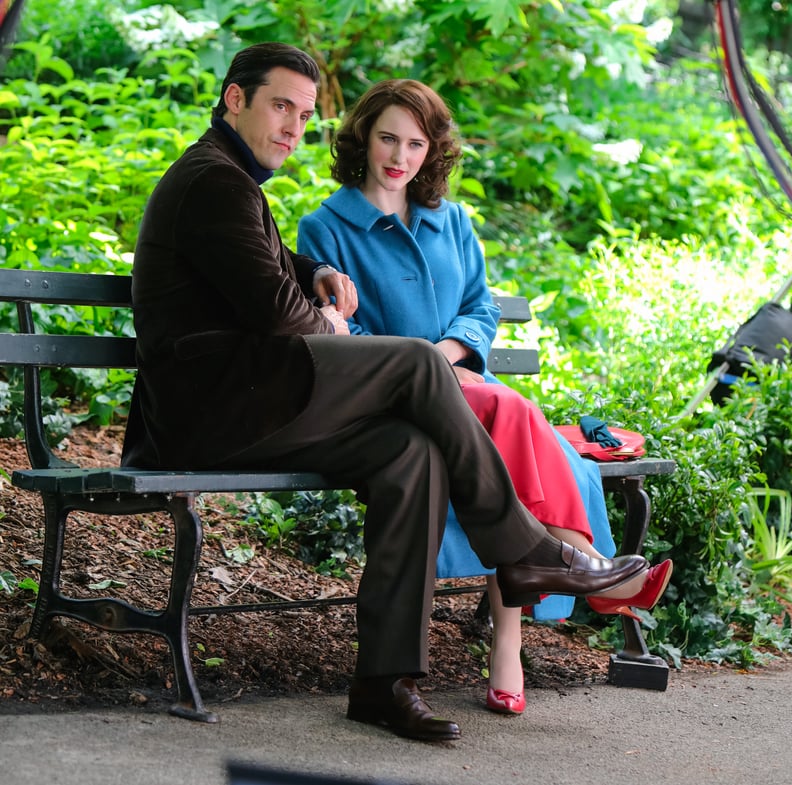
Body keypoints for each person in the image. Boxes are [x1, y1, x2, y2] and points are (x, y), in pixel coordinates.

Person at [121, 43, 651, 742]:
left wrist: (315, 274)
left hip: (248, 404)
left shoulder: (232, 182)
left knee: (410, 453)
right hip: (209, 415)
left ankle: (384, 681)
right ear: (234, 100)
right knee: (415, 364)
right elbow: (282, 318)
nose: (292, 127)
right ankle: (524, 547)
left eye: (304, 115)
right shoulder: (213, 181)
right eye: (281, 106)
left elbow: (275, 269)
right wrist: (327, 312)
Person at [297, 78, 673, 715]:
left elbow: (479, 307)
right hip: (389, 397)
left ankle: (510, 635)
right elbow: (342, 333)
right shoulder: (325, 227)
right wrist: (425, 370)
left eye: (416, 143)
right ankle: (591, 571)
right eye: (388, 137)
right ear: (363, 138)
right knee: (520, 414)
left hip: (462, 379)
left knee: (524, 445)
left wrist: (447, 358)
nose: (400, 155)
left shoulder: (452, 219)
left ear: (431, 150)